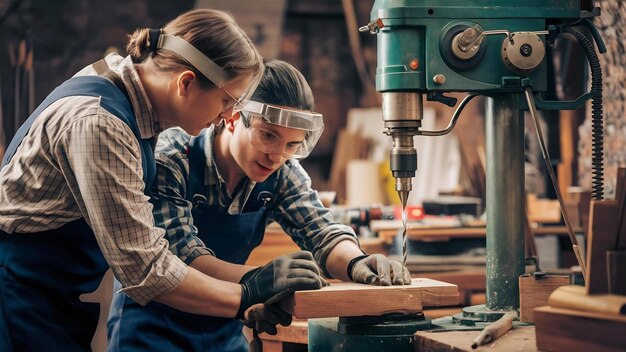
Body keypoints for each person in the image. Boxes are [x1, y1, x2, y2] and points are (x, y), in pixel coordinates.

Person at [0, 10, 326, 351]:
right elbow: (145, 269)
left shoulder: (121, 93)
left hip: (52, 295)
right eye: (227, 100)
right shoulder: (101, 123)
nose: (229, 116)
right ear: (185, 83)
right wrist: (246, 294)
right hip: (19, 293)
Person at [107, 60, 411, 351]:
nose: (276, 156)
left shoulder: (282, 173)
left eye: (292, 145)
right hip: (152, 326)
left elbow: (321, 232)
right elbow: (182, 256)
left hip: (223, 325)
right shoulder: (174, 159)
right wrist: (258, 281)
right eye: (268, 136)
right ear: (234, 117)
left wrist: (357, 263)